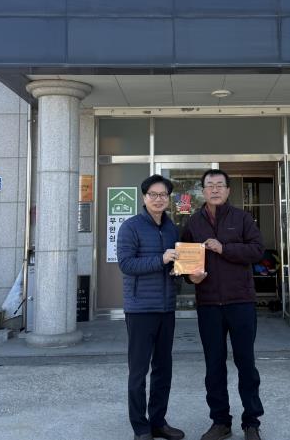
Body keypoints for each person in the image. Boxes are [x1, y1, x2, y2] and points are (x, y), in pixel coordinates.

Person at [183, 169, 265, 440]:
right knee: (214, 366)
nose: (215, 189)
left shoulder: (242, 218)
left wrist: (224, 248)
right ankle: (220, 422)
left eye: (220, 185)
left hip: (240, 301)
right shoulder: (193, 222)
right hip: (208, 304)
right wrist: (190, 277)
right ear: (203, 191)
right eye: (210, 185)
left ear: (228, 190)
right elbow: (184, 260)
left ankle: (251, 422)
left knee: (246, 363)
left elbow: (257, 251)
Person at [117, 174, 185, 440]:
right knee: (138, 371)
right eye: (153, 195)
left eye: (163, 195)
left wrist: (178, 272)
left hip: (166, 308)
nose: (159, 199)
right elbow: (126, 264)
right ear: (144, 197)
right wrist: (161, 259)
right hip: (140, 309)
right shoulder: (130, 227)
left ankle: (158, 422)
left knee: (163, 369)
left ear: (169, 199)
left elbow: (173, 264)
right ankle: (140, 427)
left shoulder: (171, 228)